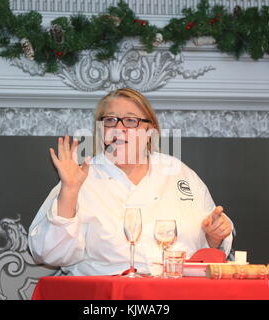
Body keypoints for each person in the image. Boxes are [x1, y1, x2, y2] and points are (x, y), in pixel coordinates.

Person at [28, 88, 234, 276]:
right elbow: (47, 254)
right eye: (110, 120)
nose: (119, 128)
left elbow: (206, 247)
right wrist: (70, 190)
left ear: (150, 130)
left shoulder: (178, 172)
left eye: (130, 121)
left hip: (177, 292)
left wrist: (213, 237)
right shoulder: (80, 177)